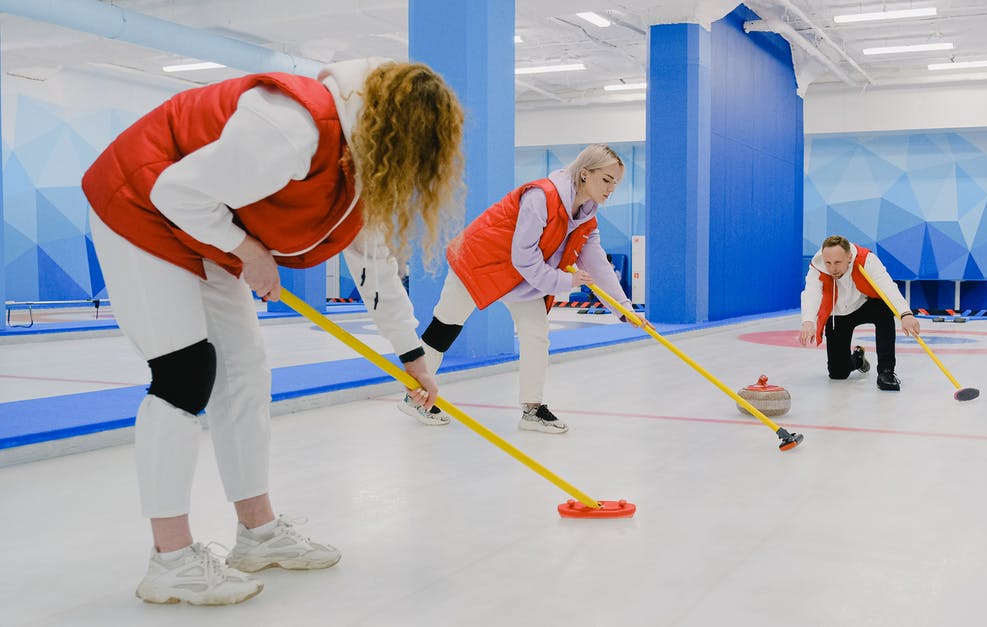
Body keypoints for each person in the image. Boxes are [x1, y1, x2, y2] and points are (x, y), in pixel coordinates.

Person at [80, 58, 464, 605]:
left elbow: (374, 265)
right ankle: (170, 559)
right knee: (184, 371)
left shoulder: (365, 164)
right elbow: (176, 192)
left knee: (245, 375)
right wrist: (249, 252)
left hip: (204, 229)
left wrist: (413, 356)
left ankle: (257, 534)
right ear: (393, 132)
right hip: (139, 203)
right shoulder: (291, 127)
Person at [398, 144, 648, 434]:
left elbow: (598, 265)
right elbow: (524, 257)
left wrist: (624, 308)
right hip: (480, 262)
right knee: (446, 324)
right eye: (606, 180)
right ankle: (414, 395)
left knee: (536, 335)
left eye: (615, 183)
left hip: (521, 278)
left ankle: (533, 409)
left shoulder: (587, 218)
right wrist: (566, 282)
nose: (611, 189)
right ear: (584, 174)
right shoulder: (541, 197)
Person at [797, 235, 920, 391]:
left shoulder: (867, 259)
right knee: (838, 373)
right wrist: (808, 321)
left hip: (865, 305)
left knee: (884, 309)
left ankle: (886, 372)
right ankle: (858, 359)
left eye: (837, 262)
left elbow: (887, 286)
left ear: (849, 257)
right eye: (828, 262)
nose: (833, 268)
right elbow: (811, 292)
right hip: (838, 315)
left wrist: (905, 314)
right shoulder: (817, 266)